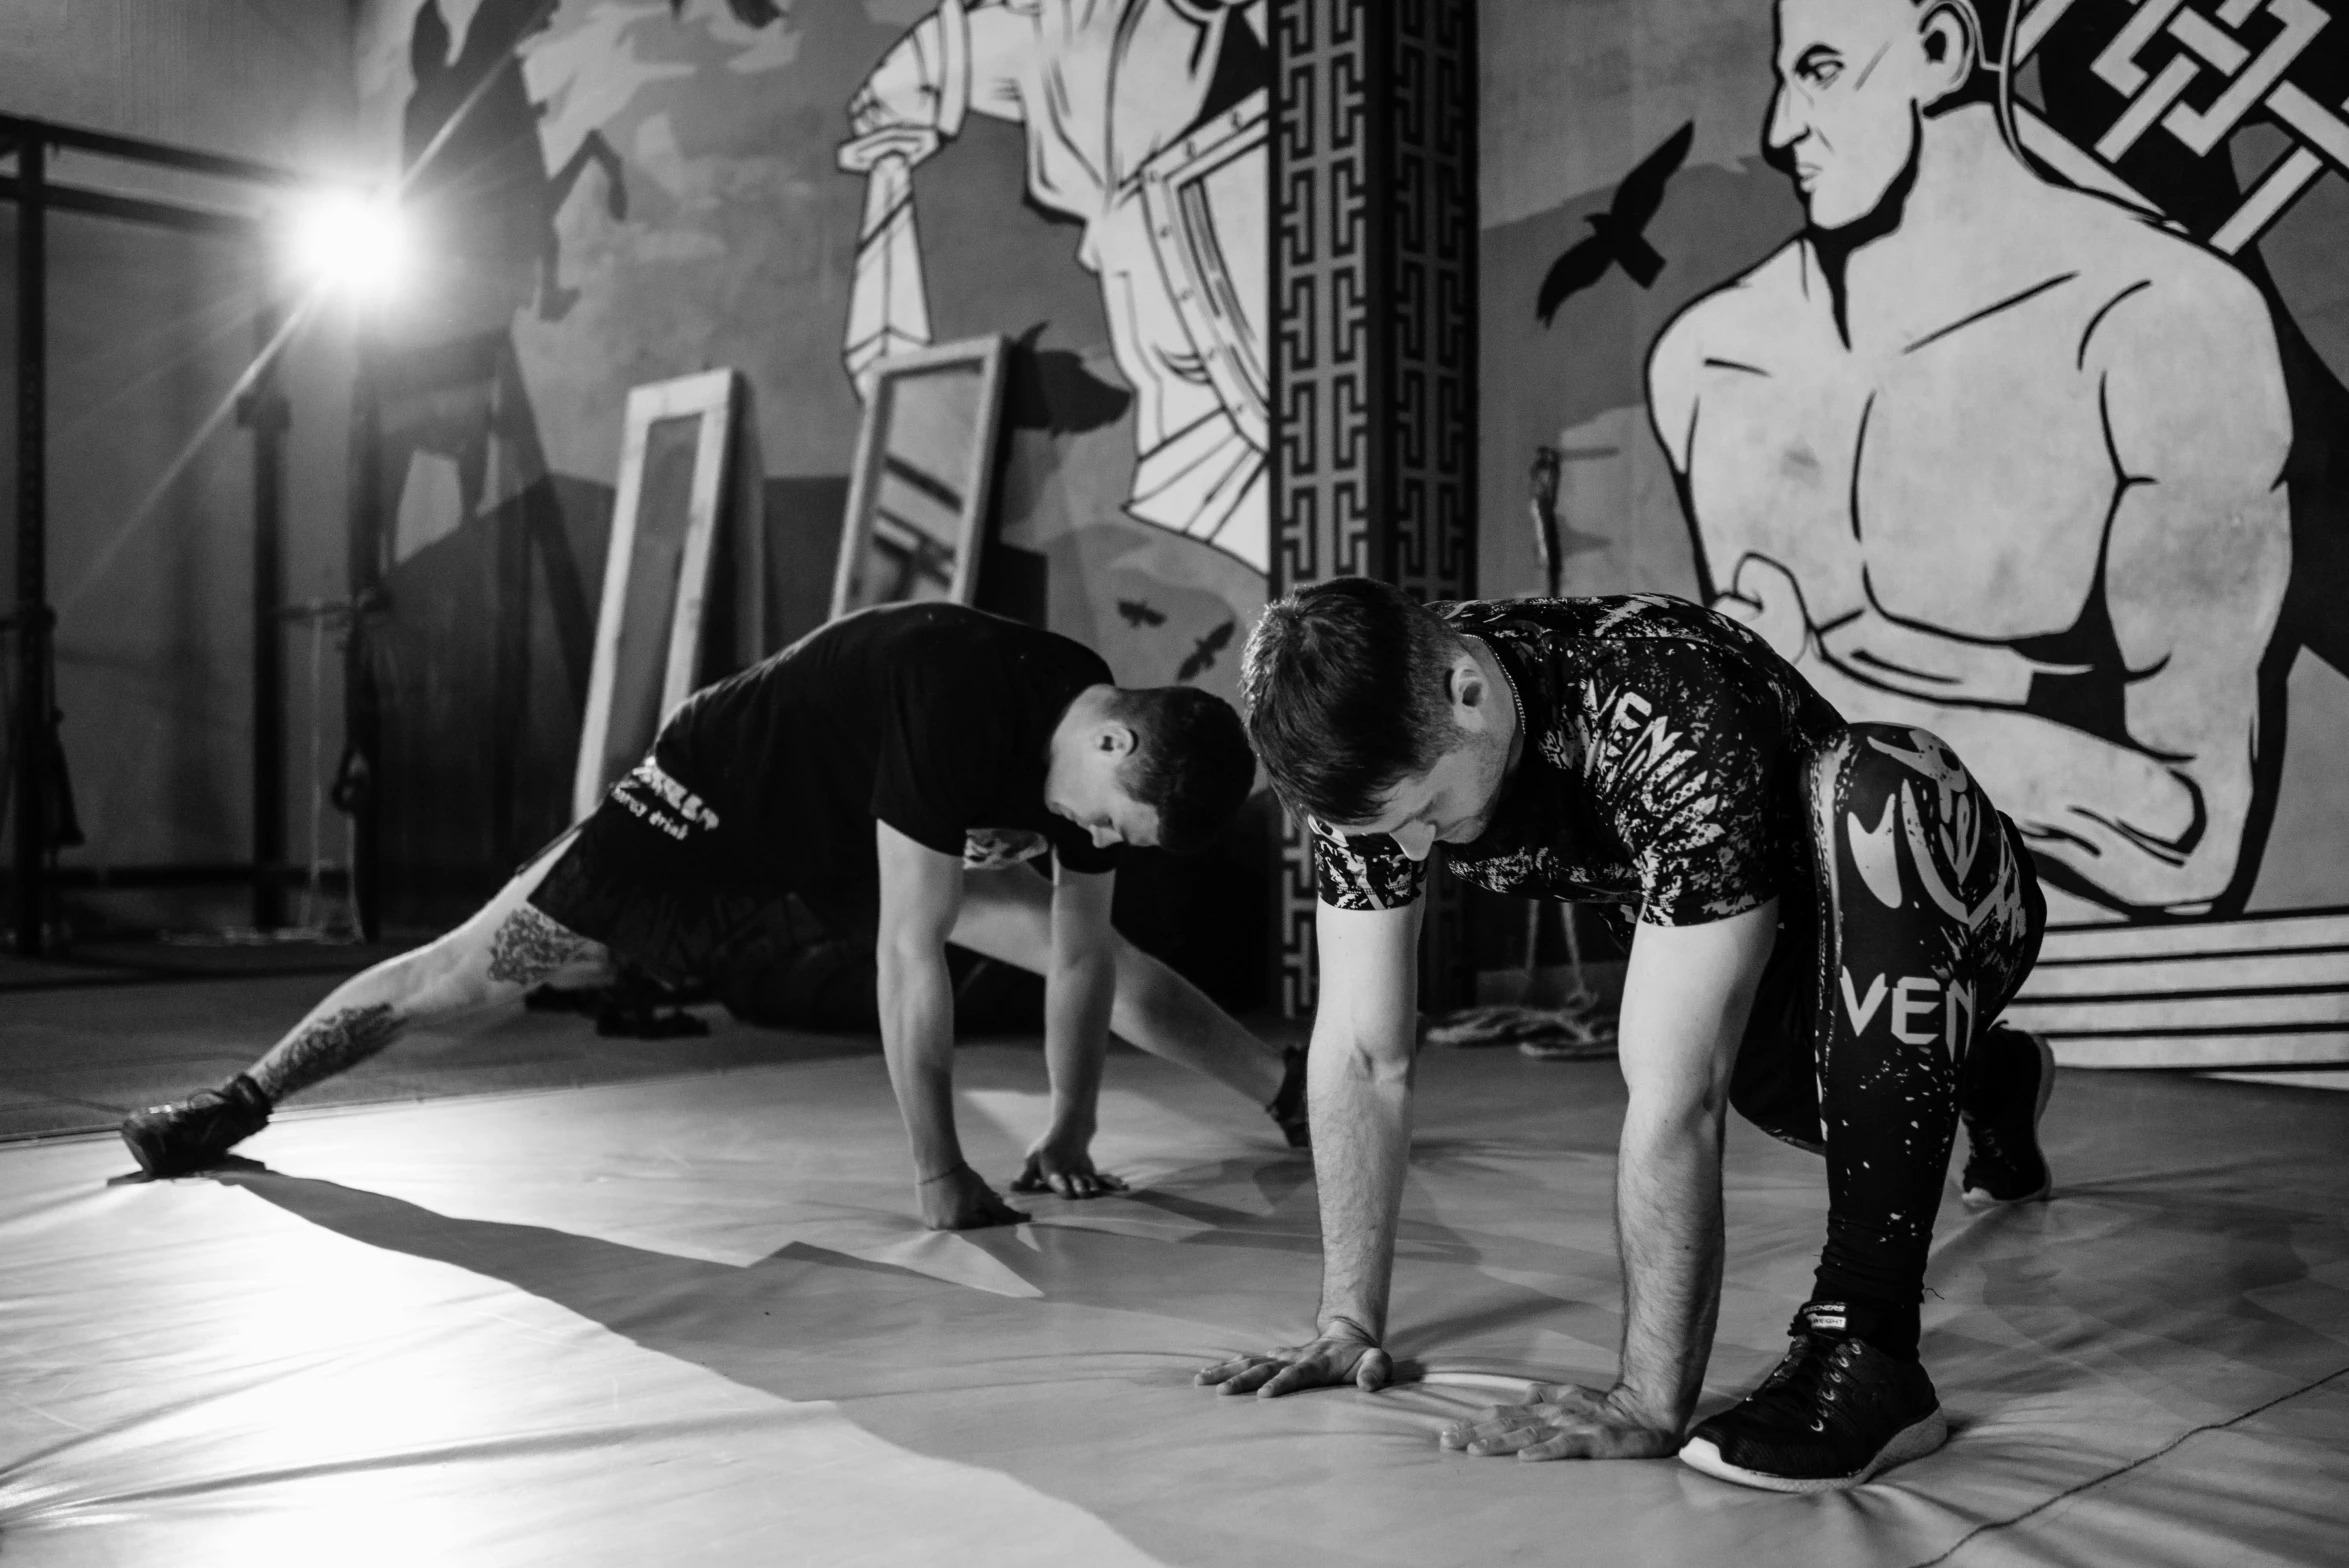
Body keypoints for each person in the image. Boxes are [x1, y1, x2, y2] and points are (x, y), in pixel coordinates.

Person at [1196, 578, 2050, 1492]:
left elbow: (1674, 1089)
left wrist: (1646, 1399)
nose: (1410, 852)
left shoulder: (1656, 701)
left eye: (1423, 814)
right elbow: (1363, 1054)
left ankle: (1870, 1349)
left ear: (1466, 692)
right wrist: (1347, 1325)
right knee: (1828, 1102)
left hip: (1941, 904)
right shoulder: (1369, 756)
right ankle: (1990, 1079)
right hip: (1762, 979)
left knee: (1879, 778)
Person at [123, 603, 1306, 1229]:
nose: (1107, 841)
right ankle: (239, 1101)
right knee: (471, 976)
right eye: (1118, 820)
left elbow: (1089, 952)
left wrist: (1069, 1130)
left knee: (1072, 935)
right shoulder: (960, 708)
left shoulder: (1104, 744)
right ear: (1111, 739)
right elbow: (908, 958)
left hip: (850, 816)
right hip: (719, 796)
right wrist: (943, 1170)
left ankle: (1287, 1092)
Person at [1648, 0, 2292, 920]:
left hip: (2068, 983)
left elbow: (2189, 836)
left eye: (1821, 71)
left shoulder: (2160, 322)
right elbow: (1768, 802)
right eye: (1782, 77)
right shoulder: (1712, 360)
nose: (1780, 128)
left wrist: (1823, 687)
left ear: (1942, 48)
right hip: (1806, 988)